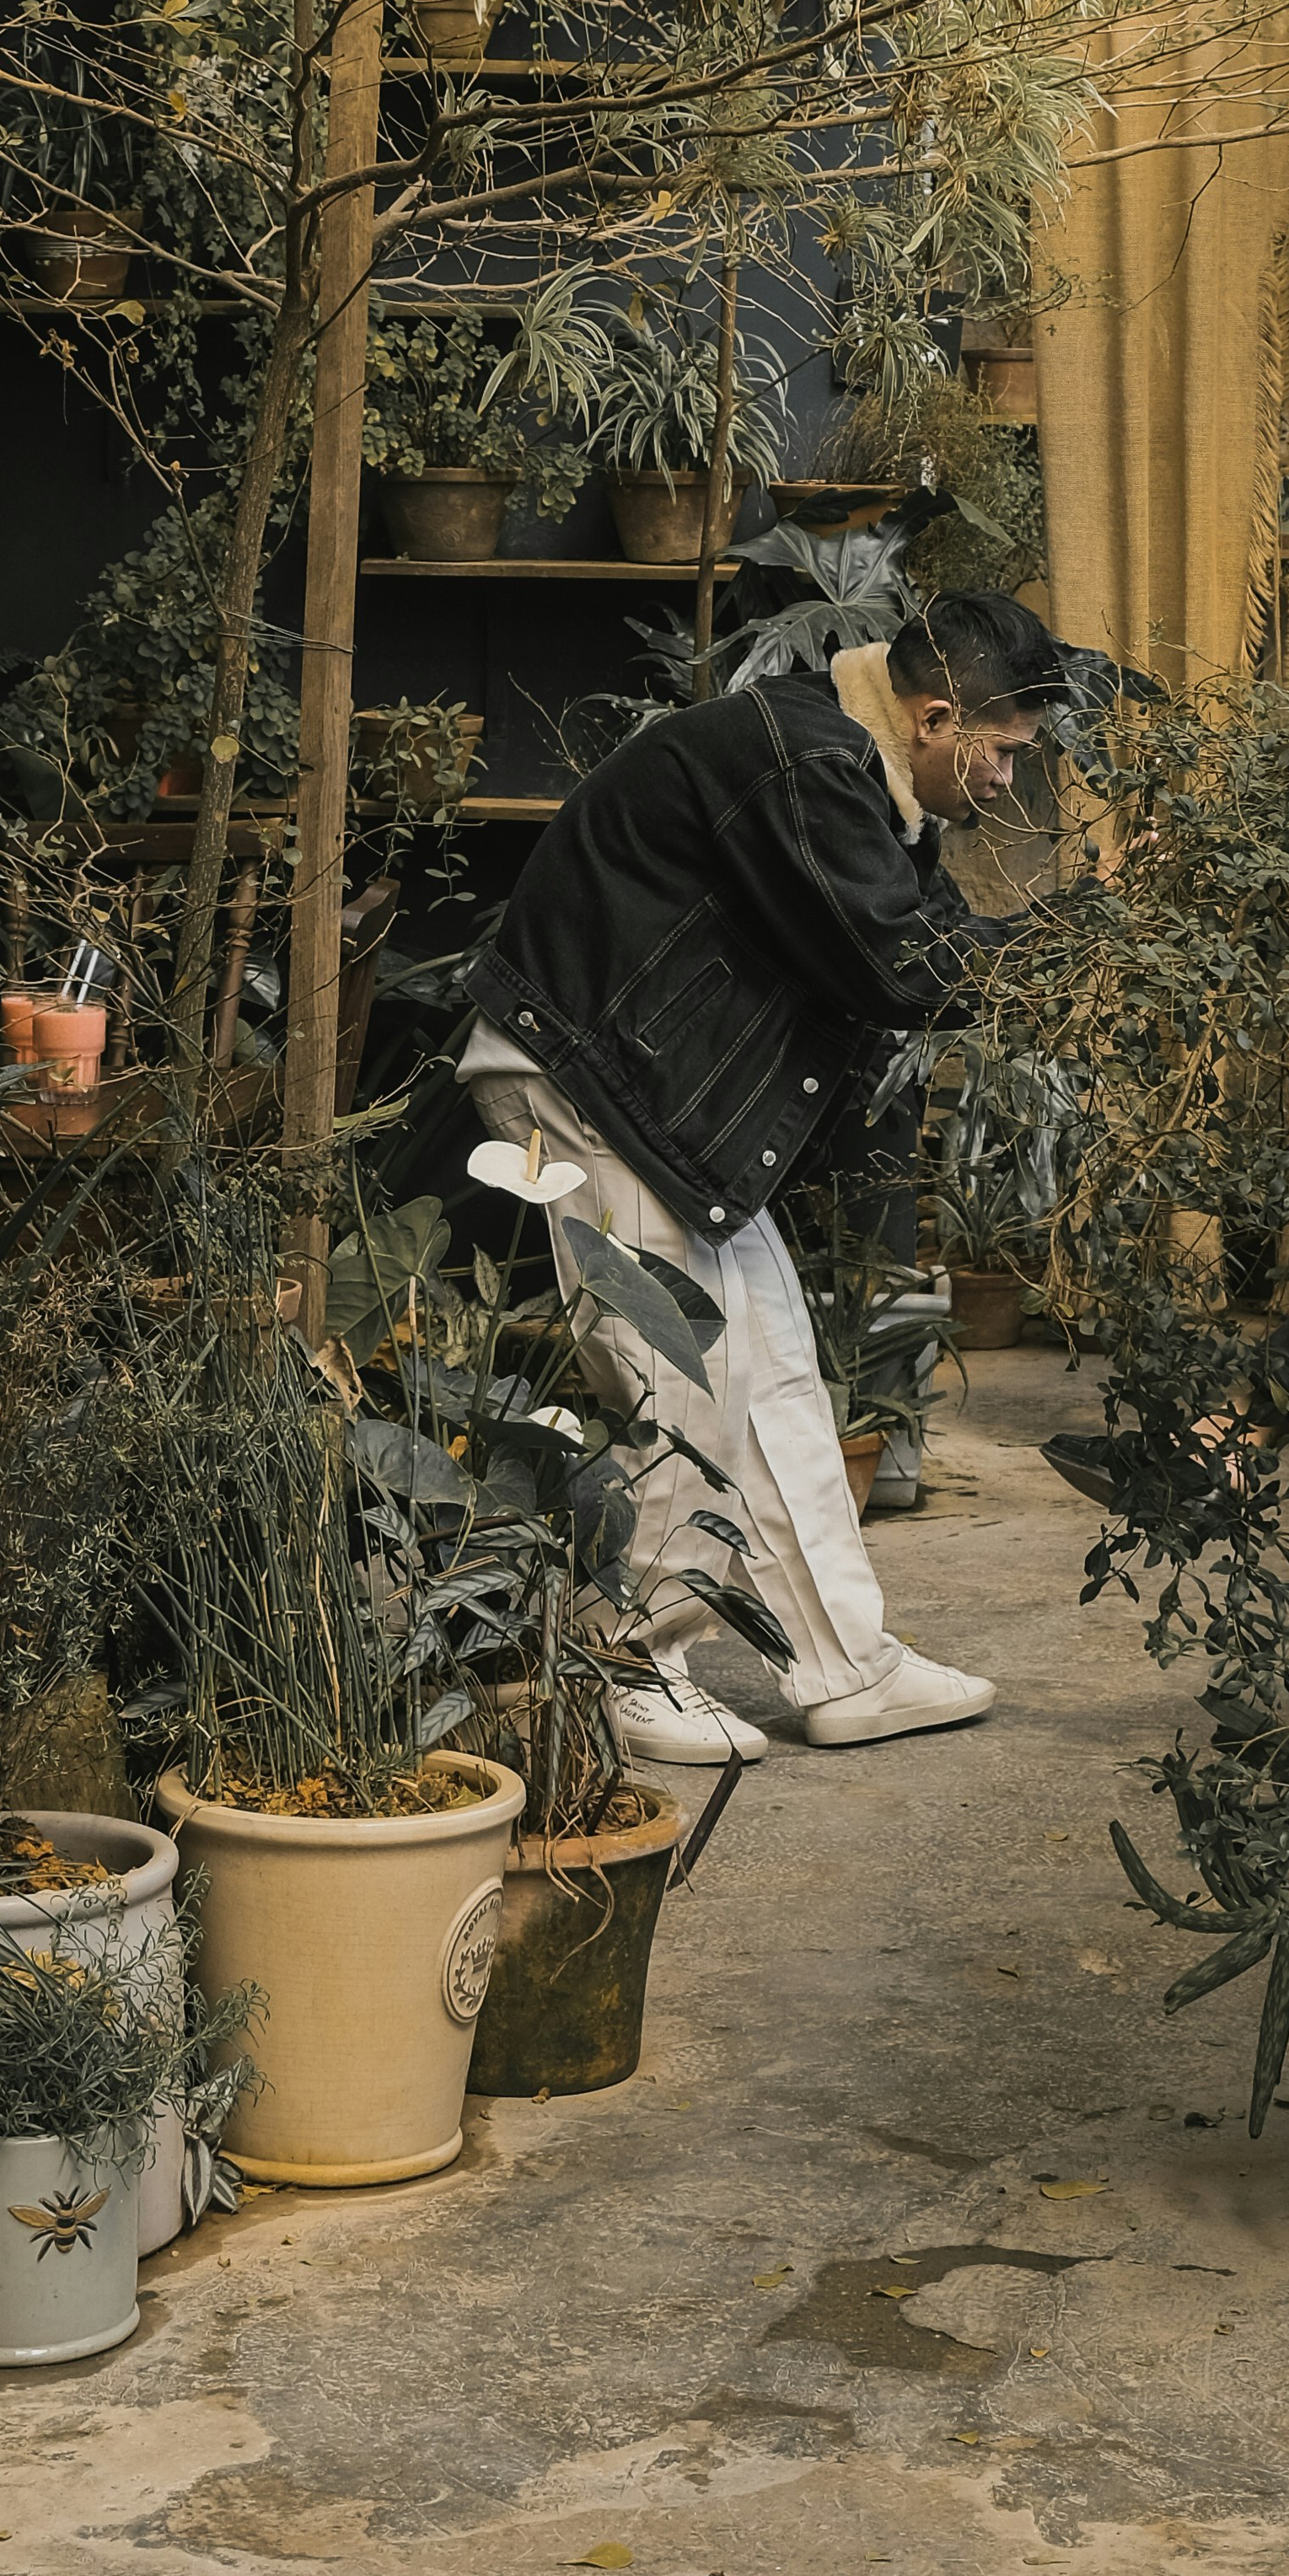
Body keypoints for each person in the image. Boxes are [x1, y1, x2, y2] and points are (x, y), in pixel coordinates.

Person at [457, 587, 1071, 1763]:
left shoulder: (859, 774)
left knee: (774, 1371)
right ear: (936, 718)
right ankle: (629, 1660)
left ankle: (845, 1666)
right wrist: (1087, 938)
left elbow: (914, 947)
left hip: (647, 1100)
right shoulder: (807, 763)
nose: (1006, 785)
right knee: (675, 1371)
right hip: (577, 1082)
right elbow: (904, 965)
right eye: (1004, 757)